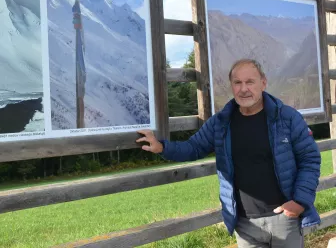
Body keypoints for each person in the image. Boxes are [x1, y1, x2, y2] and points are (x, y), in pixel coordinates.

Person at [137, 59, 321, 247]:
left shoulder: (287, 118)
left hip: (285, 220)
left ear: (263, 83)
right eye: (237, 82)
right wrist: (161, 147)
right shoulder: (221, 123)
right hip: (245, 224)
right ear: (231, 85)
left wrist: (299, 202)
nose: (243, 89)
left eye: (250, 82)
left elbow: (310, 160)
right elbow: (193, 148)